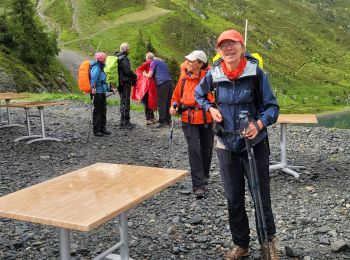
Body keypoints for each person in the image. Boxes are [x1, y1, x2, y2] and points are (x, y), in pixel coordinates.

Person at [194, 30, 280, 259]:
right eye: (223, 46)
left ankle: (268, 242)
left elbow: (273, 108)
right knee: (233, 197)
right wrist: (210, 109)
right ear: (219, 51)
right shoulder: (214, 73)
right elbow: (198, 94)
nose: (228, 49)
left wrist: (259, 124)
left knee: (261, 195)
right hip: (225, 143)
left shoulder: (256, 74)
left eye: (232, 44)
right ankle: (241, 245)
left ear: (242, 47)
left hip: (255, 144)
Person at [170, 50, 214, 198]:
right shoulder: (183, 78)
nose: (188, 62)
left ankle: (205, 175)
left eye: (191, 60)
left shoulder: (211, 78)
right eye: (187, 60)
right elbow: (176, 97)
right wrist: (174, 106)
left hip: (207, 117)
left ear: (200, 64)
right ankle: (198, 185)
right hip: (188, 118)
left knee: (206, 149)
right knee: (194, 149)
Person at [143, 54, 173, 128]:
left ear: (149, 59)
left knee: (161, 103)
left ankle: (162, 122)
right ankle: (168, 121)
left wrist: (144, 74)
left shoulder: (153, 62)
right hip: (170, 83)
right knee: (168, 102)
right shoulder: (162, 62)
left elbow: (150, 75)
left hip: (162, 83)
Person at [90, 52, 112, 137]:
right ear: (101, 60)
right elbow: (94, 79)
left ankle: (103, 128)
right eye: (105, 59)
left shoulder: (101, 67)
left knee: (103, 110)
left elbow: (102, 82)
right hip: (97, 93)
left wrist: (109, 89)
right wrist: (92, 89)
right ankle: (96, 130)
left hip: (102, 92)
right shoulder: (97, 68)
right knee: (98, 111)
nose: (106, 60)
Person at [116, 43, 137, 129]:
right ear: (125, 49)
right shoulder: (123, 58)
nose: (129, 50)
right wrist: (135, 76)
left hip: (120, 83)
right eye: (128, 49)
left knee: (123, 100)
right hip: (125, 82)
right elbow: (127, 71)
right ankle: (125, 122)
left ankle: (123, 121)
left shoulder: (117, 57)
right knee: (125, 101)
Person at [133, 52, 157, 125]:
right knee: (150, 101)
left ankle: (148, 118)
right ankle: (151, 117)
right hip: (151, 85)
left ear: (147, 58)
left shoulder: (147, 63)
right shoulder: (154, 63)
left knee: (147, 103)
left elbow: (138, 71)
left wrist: (143, 76)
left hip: (145, 86)